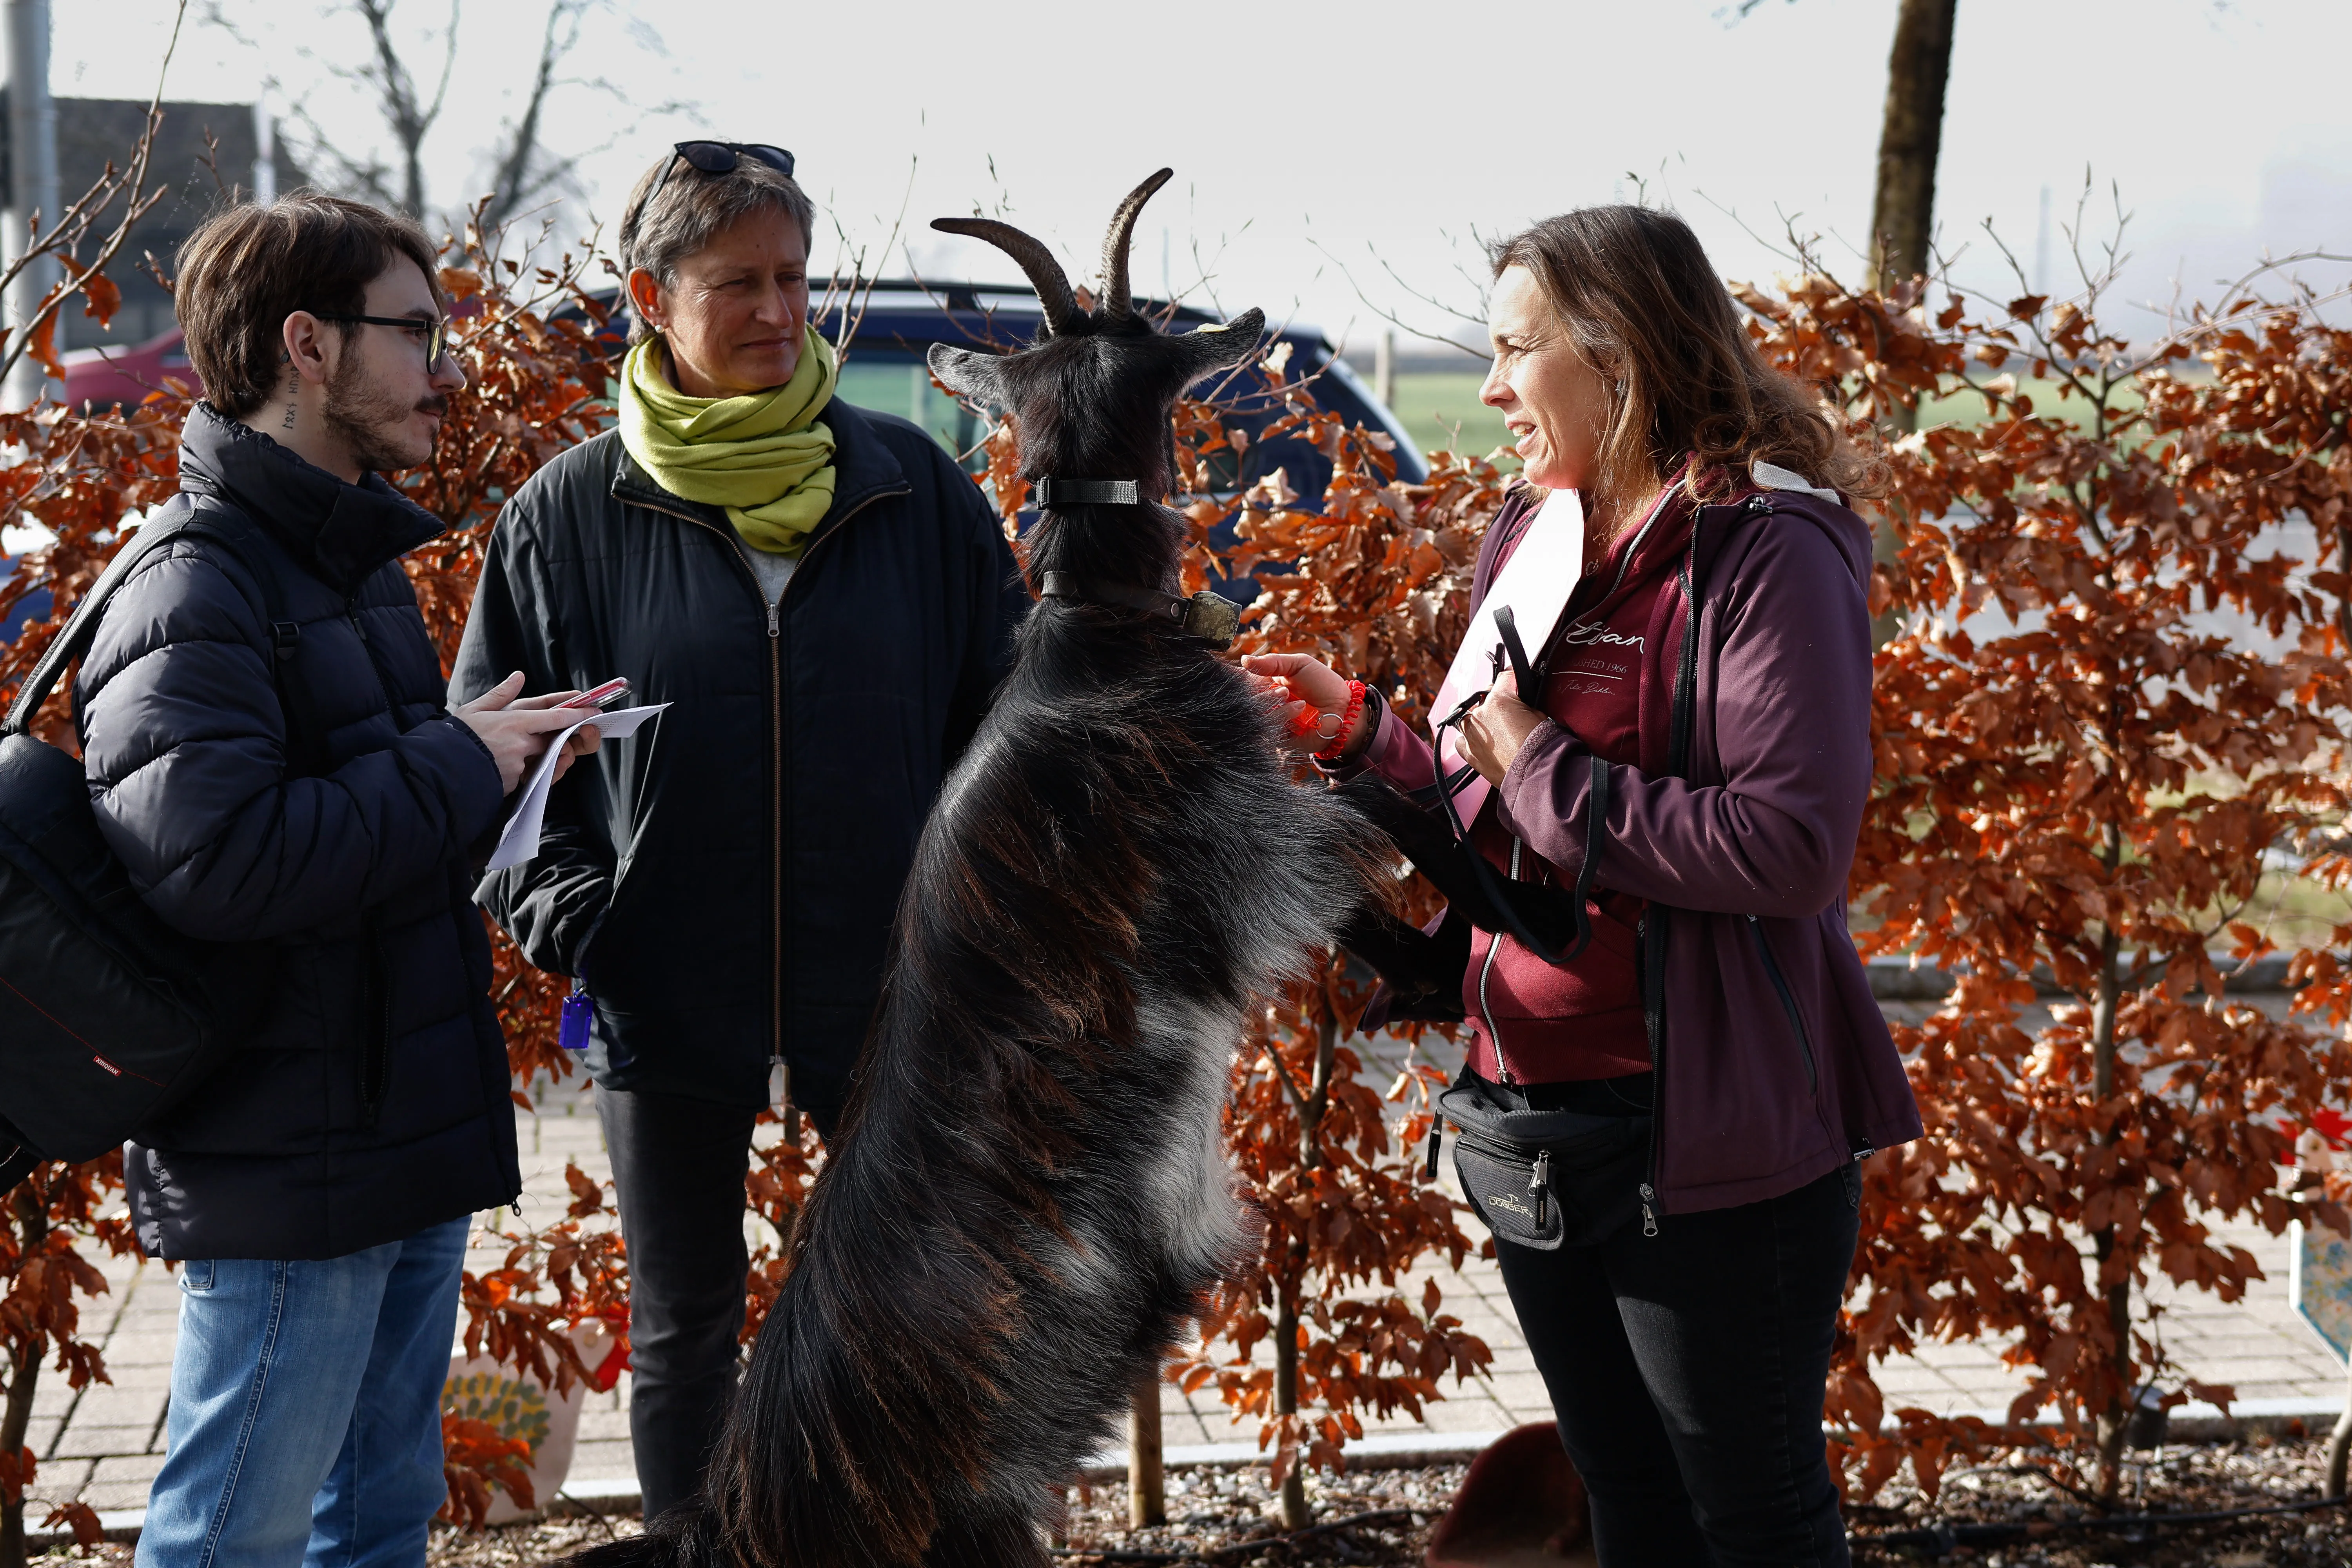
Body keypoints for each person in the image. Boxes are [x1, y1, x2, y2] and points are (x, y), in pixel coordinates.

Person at [1245, 205, 1923, 1567]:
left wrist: (1538, 759)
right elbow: (1498, 802)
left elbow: (1787, 849)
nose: (1490, 389)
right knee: (1624, 1502)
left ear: (1614, 356)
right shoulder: (1539, 533)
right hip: (1534, 1127)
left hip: (1709, 1148)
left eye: (1514, 352)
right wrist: (1363, 732)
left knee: (1754, 1520)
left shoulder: (1767, 551)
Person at [452, 141, 1028, 1519]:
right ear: (652, 294)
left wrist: (968, 921)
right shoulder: (566, 518)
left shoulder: (912, 490)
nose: (779, 312)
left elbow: (1007, 738)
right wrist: (596, 925)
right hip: (667, 998)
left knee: (923, 1322)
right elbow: (484, 777)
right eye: (739, 283)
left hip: (896, 996)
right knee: (684, 1341)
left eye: (795, 279)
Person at [76, 193, 594, 1568]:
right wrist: (453, 764)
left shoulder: (342, 564)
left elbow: (381, 833)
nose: (446, 368)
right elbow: (220, 860)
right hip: (290, 1166)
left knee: (373, 1529)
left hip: (398, 1136)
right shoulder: (192, 586)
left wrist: (521, 768)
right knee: (229, 1538)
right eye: (416, 333)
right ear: (306, 344)